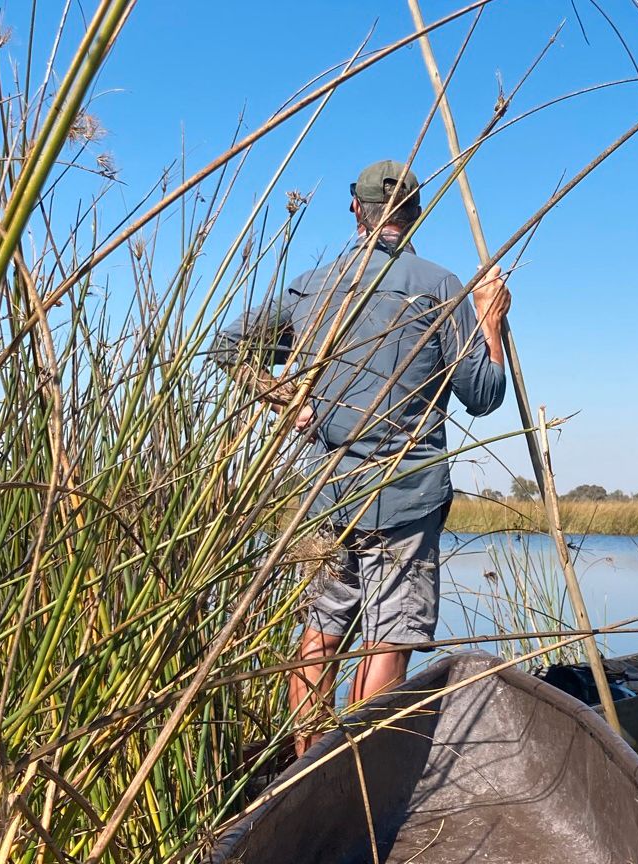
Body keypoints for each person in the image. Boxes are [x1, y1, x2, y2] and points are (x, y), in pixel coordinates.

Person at [211, 160, 510, 756]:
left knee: (319, 632)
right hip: (407, 495)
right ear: (416, 212)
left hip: (327, 497)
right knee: (387, 641)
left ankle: (308, 767)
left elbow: (226, 346)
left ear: (357, 211)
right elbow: (484, 394)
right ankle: (358, 775)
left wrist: (285, 400)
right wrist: (491, 320)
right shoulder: (443, 289)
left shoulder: (315, 286)